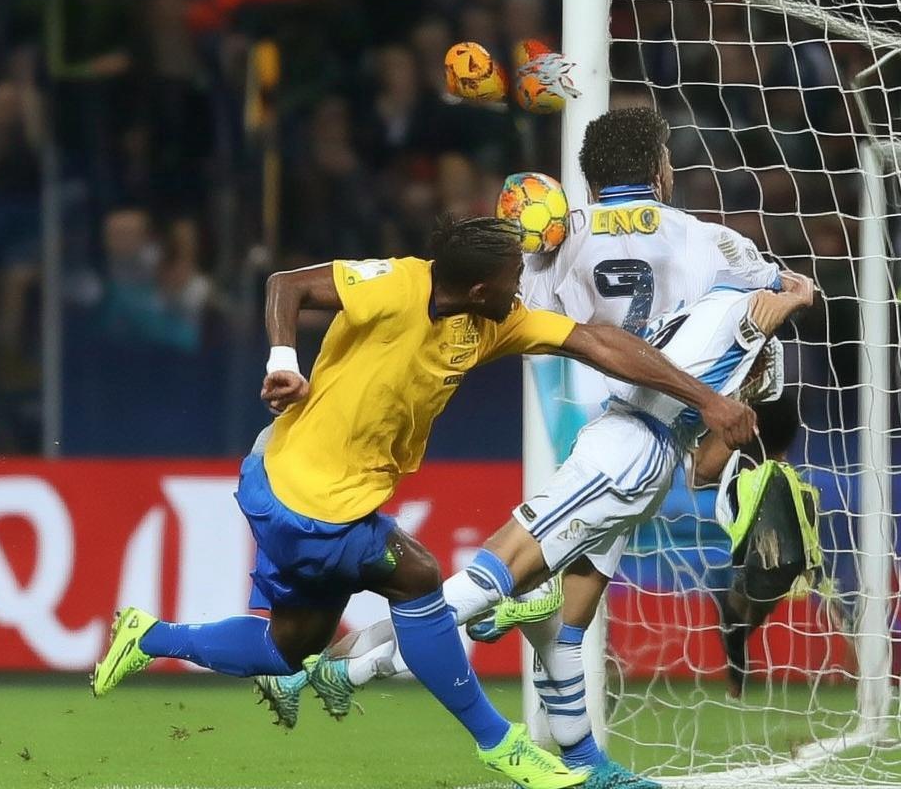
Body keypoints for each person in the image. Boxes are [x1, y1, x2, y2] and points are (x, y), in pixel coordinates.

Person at [90, 214, 758, 789]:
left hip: (298, 481)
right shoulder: (394, 287)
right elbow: (286, 285)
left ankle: (148, 636)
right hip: (310, 502)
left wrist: (704, 398)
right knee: (418, 579)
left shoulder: (491, 321)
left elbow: (596, 342)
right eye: (512, 277)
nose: (520, 288)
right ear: (478, 287)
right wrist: (282, 361)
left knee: (287, 648)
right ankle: (501, 744)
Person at [254, 106, 811, 789]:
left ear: (589, 178)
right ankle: (555, 737)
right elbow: (767, 303)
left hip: (600, 424)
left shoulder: (559, 235)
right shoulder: (716, 244)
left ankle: (376, 670)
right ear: (661, 172)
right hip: (650, 433)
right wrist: (779, 324)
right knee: (554, 616)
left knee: (523, 598)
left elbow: (500, 297)